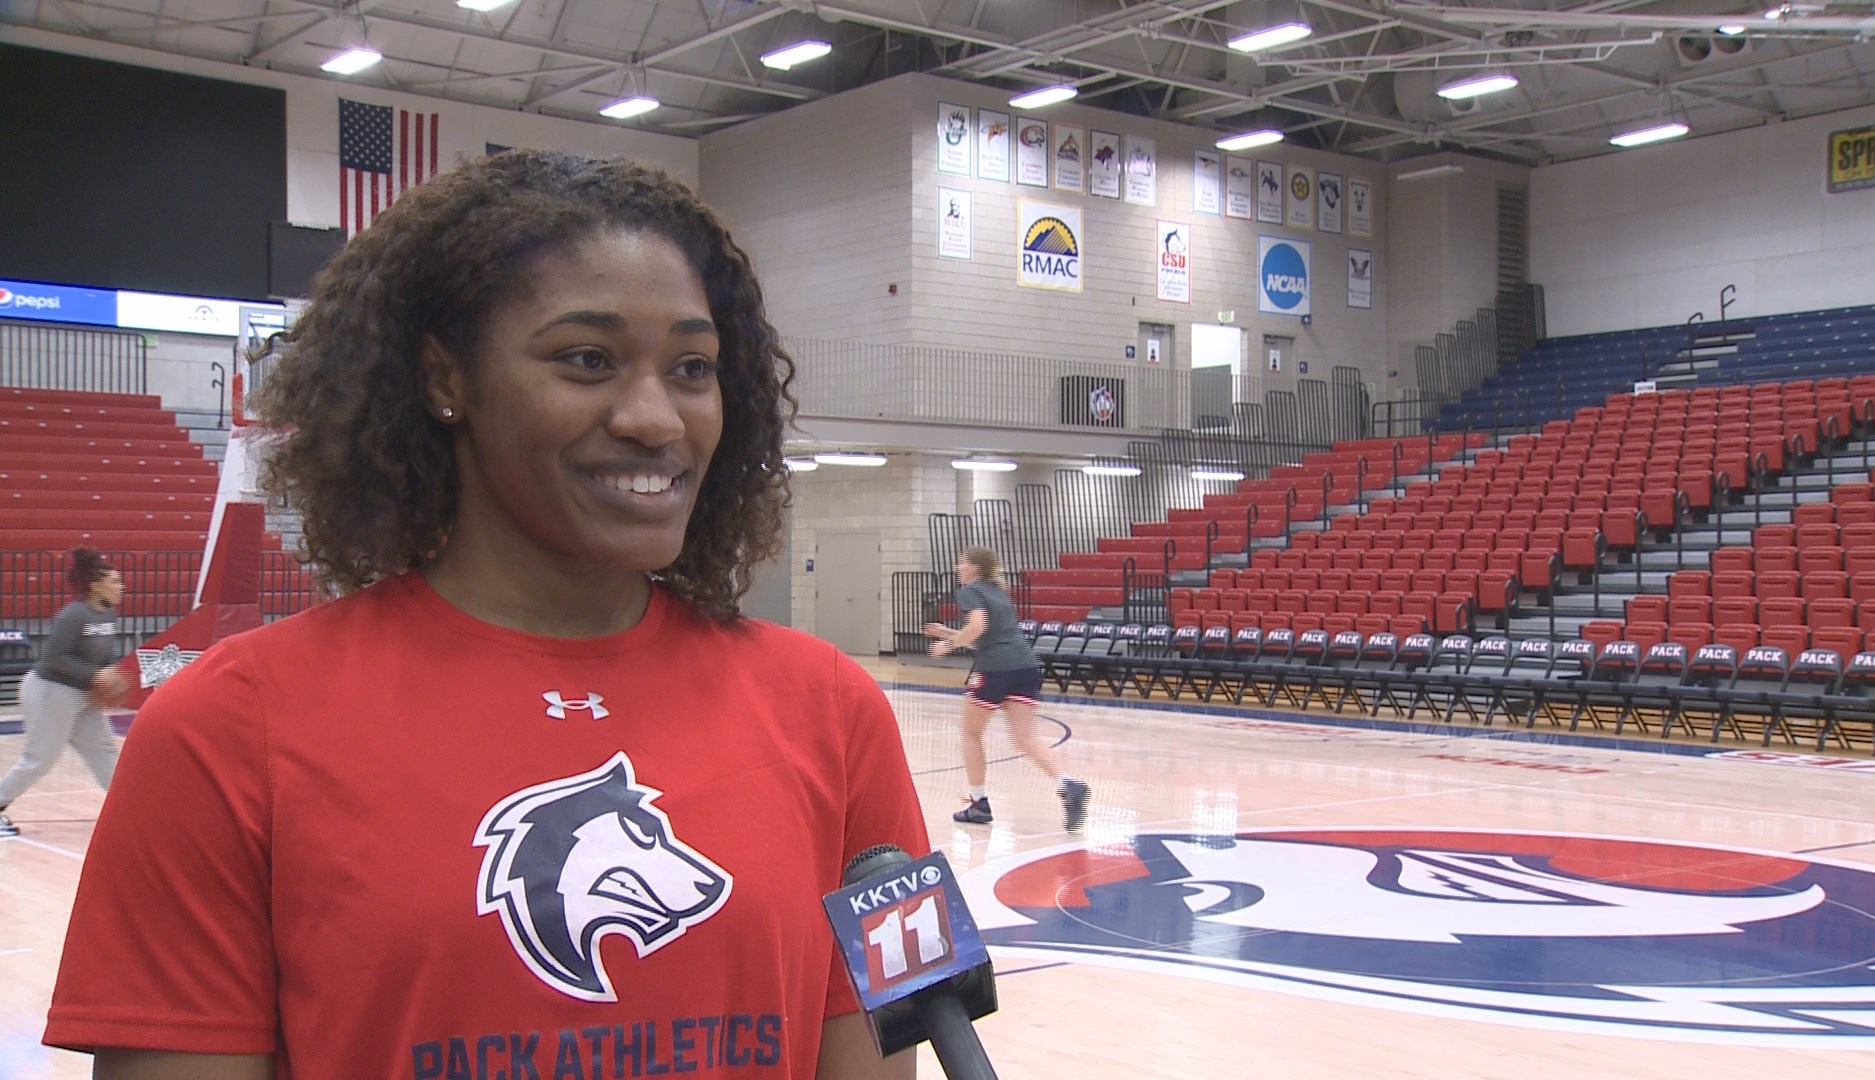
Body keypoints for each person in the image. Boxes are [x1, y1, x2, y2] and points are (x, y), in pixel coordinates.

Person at [44, 150, 928, 1080]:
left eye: (692, 367)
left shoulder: (835, 710)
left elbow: (895, 1045)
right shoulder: (226, 731)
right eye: (587, 360)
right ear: (445, 379)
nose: (655, 417)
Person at [923, 548, 1090, 830]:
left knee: (970, 734)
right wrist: (949, 633)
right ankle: (1067, 783)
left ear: (975, 568)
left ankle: (978, 803)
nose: (958, 565)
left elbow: (977, 627)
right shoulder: (998, 592)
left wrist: (948, 645)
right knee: (1026, 738)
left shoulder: (971, 591)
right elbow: (986, 638)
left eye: (963, 561)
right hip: (1025, 667)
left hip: (996, 670)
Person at [0, 547, 128, 839]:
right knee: (41, 758)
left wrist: (110, 674)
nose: (121, 587)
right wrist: (96, 675)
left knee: (105, 751)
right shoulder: (73, 615)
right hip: (50, 690)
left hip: (82, 694)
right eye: (115, 581)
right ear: (95, 585)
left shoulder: (107, 614)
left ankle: (130, 808)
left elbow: (103, 655)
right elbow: (53, 658)